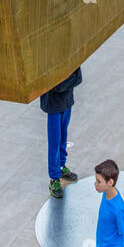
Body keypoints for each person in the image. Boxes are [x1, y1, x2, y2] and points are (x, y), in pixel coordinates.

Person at [40, 65, 82, 198]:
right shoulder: (47, 61)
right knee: (55, 142)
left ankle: (62, 166)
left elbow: (78, 78)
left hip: (66, 102)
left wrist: (63, 84)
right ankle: (54, 179)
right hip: (53, 105)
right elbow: (54, 85)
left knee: (63, 137)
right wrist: (68, 82)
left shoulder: (70, 57)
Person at [94, 159, 124, 247]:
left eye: (99, 181)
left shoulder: (117, 208)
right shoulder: (107, 191)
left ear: (110, 182)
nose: (95, 184)